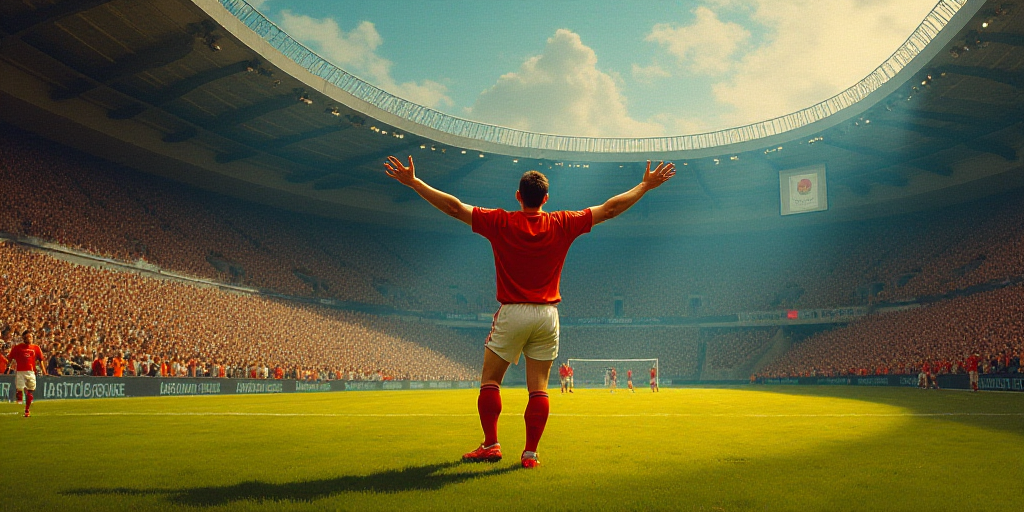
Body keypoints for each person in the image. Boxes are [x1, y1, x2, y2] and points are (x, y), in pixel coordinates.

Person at [385, 154, 675, 468]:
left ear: (518, 196)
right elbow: (610, 209)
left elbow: (455, 208)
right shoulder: (562, 222)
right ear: (546, 199)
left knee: (490, 381)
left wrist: (414, 182)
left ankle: (491, 444)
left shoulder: (500, 221)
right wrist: (644, 186)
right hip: (548, 316)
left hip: (513, 311)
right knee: (539, 388)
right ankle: (530, 454)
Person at [7, 331, 46, 417]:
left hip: (31, 372)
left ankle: (27, 409)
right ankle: (21, 397)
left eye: (31, 337)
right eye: (27, 337)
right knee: (20, 389)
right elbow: (10, 358)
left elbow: (41, 360)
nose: (29, 339)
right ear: (24, 338)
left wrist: (44, 371)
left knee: (30, 391)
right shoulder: (17, 348)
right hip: (20, 371)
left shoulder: (36, 348)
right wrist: (8, 368)